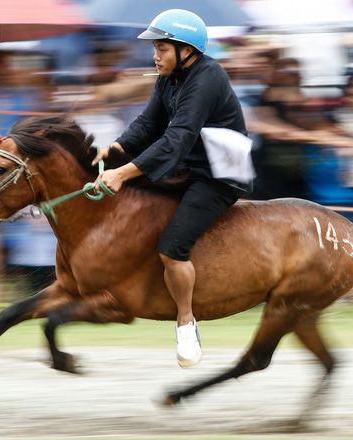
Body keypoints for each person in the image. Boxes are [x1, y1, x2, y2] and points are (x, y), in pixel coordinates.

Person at [91, 9, 252, 368]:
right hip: (187, 169)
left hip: (219, 177)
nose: (155, 55)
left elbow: (177, 138)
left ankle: (185, 323)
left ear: (186, 49)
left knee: (172, 248)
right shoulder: (169, 78)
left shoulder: (208, 76)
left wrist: (123, 173)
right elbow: (148, 124)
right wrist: (115, 150)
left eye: (162, 48)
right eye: (156, 49)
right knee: (115, 177)